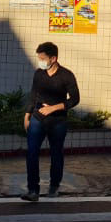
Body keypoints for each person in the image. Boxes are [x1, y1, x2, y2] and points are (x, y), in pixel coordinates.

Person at [21, 41, 79, 202]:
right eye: (38, 57)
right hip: (38, 118)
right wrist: (27, 115)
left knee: (56, 153)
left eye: (42, 58)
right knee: (32, 153)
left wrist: (54, 108)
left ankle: (54, 186)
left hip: (58, 121)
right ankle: (33, 190)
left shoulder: (67, 75)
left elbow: (75, 99)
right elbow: (33, 95)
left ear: (53, 58)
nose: (40, 61)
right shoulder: (39, 73)